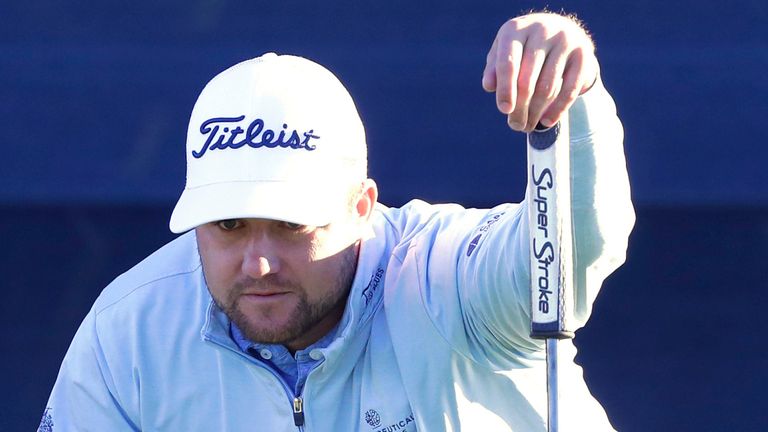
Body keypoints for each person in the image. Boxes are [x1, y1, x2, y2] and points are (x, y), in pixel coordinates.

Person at [41, 11, 634, 432]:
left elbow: (569, 251)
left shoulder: (450, 280)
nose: (259, 262)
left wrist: (574, 98)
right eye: (228, 226)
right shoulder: (128, 333)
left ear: (361, 208)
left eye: (292, 224)